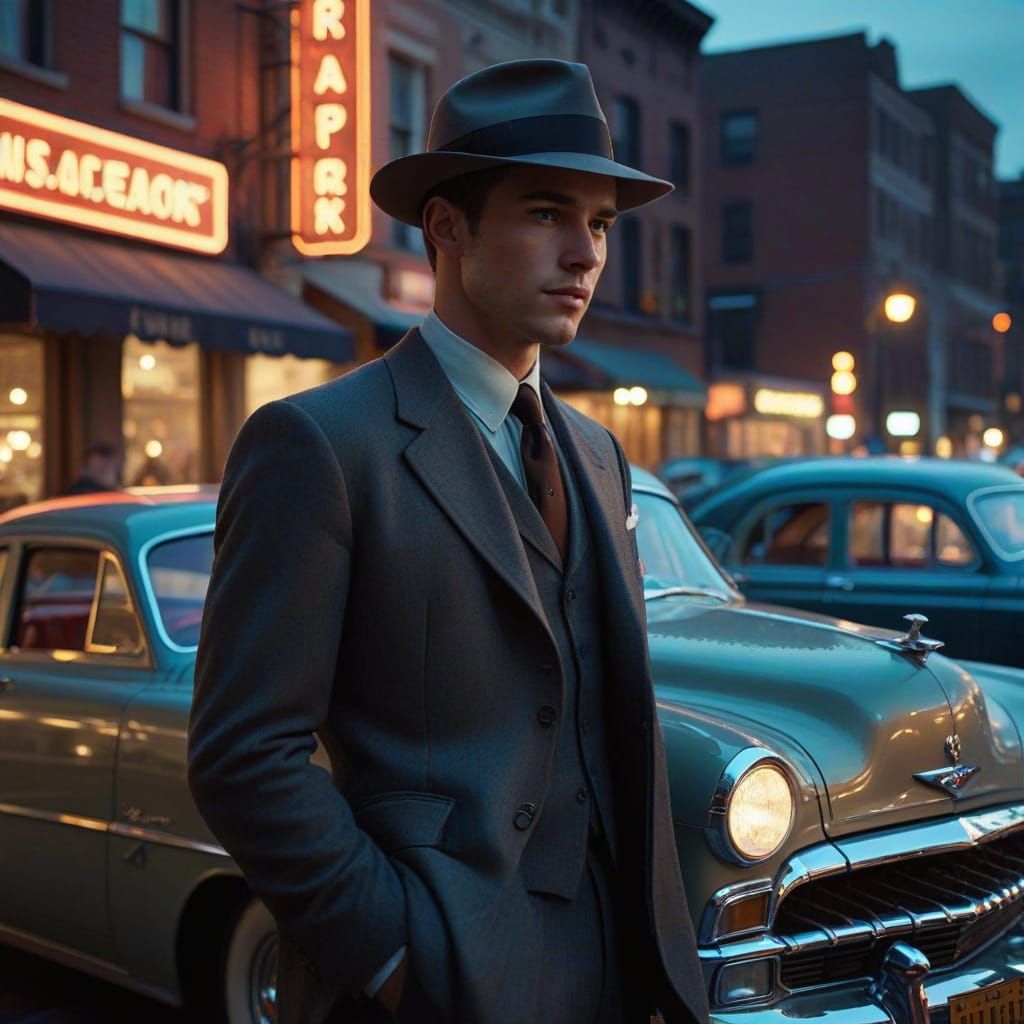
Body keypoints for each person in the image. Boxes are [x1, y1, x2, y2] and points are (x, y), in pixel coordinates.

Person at [188, 59, 708, 1024]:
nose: (587, 255)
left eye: (600, 223)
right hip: (437, 971)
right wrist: (395, 952)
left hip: (621, 966)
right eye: (548, 213)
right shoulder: (319, 442)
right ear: (448, 229)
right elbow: (240, 755)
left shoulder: (597, 453)